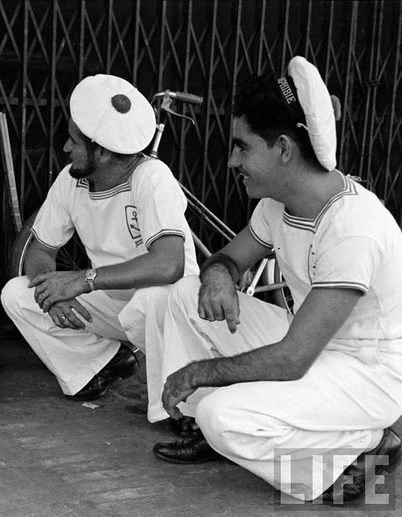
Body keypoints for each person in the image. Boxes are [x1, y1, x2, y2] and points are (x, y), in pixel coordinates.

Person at [153, 56, 402, 503]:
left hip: (370, 372)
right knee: (185, 294)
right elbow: (228, 258)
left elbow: (292, 360)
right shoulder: (276, 204)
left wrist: (200, 372)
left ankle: (366, 444)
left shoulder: (354, 226)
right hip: (310, 343)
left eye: (242, 147)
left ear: (284, 149)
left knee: (223, 416)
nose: (232, 161)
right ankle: (206, 426)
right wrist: (219, 277)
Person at [1, 74, 199, 410]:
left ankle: (178, 405)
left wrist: (82, 280)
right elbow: (41, 249)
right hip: (111, 301)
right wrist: (50, 293)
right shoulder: (70, 180)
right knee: (17, 294)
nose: (66, 148)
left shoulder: (151, 178)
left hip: (169, 306)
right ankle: (102, 365)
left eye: (74, 142)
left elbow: (169, 265)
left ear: (103, 152)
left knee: (148, 300)